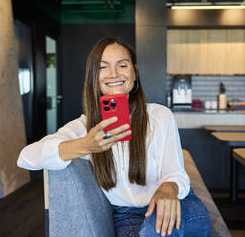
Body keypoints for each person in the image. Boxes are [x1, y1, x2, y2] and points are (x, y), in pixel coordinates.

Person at [17, 37, 211, 237]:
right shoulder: (84, 126)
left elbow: (176, 172)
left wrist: (168, 188)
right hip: (127, 217)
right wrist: (86, 145)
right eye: (103, 67)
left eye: (123, 65)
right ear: (93, 76)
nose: (114, 74)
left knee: (155, 230)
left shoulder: (160, 116)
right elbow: (26, 157)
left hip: (178, 205)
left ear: (134, 73)